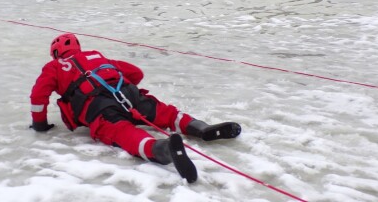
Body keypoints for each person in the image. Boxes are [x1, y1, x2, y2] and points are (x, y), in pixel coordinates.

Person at [29, 33, 241, 183]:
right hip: (127, 91)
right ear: (78, 47)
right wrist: (125, 91)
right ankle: (202, 128)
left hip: (97, 106)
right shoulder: (97, 56)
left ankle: (162, 149)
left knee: (123, 132)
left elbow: (39, 96)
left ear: (56, 53)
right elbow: (136, 73)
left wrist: (39, 125)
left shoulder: (54, 67)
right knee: (166, 113)